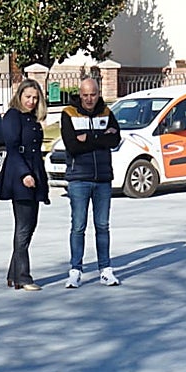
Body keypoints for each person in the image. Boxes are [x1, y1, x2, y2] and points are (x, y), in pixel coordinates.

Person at [60, 77, 121, 287]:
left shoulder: (107, 112)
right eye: (85, 95)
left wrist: (89, 138)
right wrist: (101, 138)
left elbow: (114, 140)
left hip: (103, 178)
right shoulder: (68, 113)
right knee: (78, 226)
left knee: (102, 226)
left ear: (98, 93)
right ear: (80, 93)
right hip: (79, 179)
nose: (89, 99)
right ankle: (75, 270)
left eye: (93, 94)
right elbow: (72, 146)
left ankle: (106, 269)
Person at [0, 79, 50, 291]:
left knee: (29, 226)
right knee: (24, 228)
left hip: (34, 173)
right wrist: (25, 174)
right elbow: (13, 148)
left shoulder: (32, 118)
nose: (32, 101)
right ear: (19, 96)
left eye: (35, 98)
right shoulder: (12, 116)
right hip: (20, 176)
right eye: (28, 97)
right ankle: (23, 277)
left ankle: (13, 274)